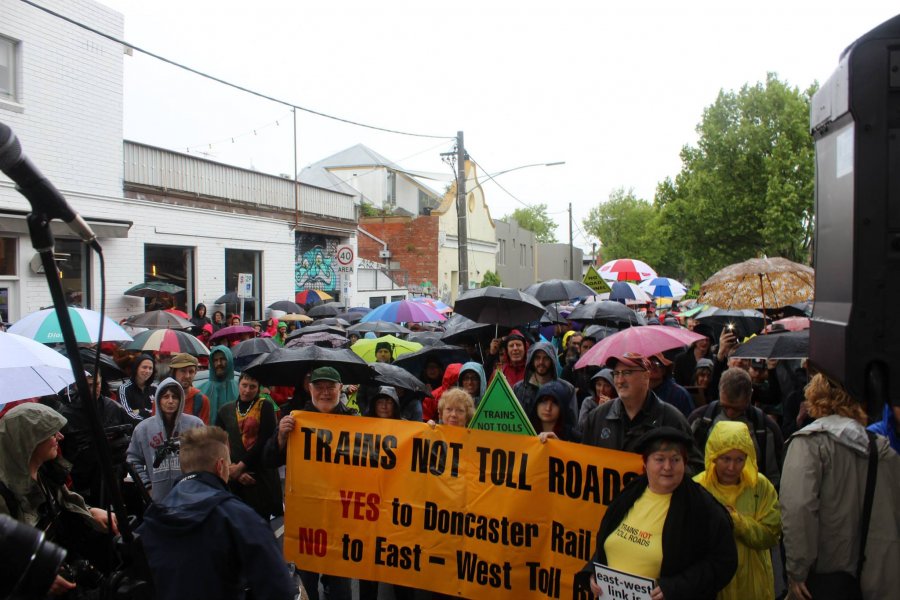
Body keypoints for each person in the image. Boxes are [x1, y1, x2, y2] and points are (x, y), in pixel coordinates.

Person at [137, 426, 295, 600]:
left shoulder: (152, 520)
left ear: (184, 467)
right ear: (221, 466)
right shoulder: (238, 517)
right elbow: (278, 588)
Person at [780, 373, 900, 600]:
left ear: (814, 397)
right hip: (878, 581)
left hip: (824, 579)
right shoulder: (883, 450)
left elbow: (798, 509)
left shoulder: (808, 444)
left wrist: (797, 570)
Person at [583, 427, 737, 600]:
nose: (667, 467)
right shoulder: (629, 493)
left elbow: (724, 562)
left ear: (684, 464)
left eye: (675, 459)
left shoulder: (702, 506)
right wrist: (595, 572)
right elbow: (606, 540)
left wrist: (675, 587)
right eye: (659, 459)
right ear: (645, 463)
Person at [0, 403, 119, 597]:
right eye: (51, 433)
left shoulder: (46, 473)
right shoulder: (3, 495)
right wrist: (34, 575)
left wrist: (89, 512)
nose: (60, 437)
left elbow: (65, 503)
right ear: (28, 441)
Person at [265, 366, 357, 600]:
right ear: (310, 389)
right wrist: (281, 438)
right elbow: (268, 459)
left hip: (341, 518)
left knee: (341, 589)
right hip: (307, 517)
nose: (325, 393)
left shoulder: (355, 421)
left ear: (340, 389)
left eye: (330, 387)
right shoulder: (295, 419)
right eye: (320, 387)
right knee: (306, 585)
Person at [694, 421, 781, 600]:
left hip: (753, 586)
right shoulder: (697, 488)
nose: (732, 467)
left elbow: (771, 534)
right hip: (713, 585)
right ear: (713, 456)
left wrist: (735, 520)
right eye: (726, 459)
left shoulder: (761, 486)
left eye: (739, 459)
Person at [581, 353, 703, 475]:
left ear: (646, 376)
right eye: (616, 373)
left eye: (627, 373)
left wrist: (664, 472)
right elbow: (583, 461)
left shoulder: (671, 419)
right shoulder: (598, 417)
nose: (620, 380)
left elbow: (696, 468)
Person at [688, 368, 784, 488]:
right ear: (719, 392)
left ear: (750, 396)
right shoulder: (700, 421)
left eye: (737, 408)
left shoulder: (766, 428)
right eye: (725, 406)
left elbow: (774, 478)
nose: (730, 413)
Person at [215, 371, 282, 520]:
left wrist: (241, 467)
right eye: (244, 385)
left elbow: (265, 440)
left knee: (259, 525)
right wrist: (233, 470)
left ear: (258, 388)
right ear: (238, 385)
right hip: (233, 478)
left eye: (252, 387)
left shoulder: (265, 406)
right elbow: (218, 443)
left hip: (259, 476)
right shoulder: (225, 410)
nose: (247, 390)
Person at [127, 377, 204, 502]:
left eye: (175, 397)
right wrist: (146, 487)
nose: (170, 401)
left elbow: (206, 458)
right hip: (157, 499)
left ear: (181, 400)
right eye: (166, 397)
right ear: (158, 399)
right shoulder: (143, 429)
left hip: (189, 498)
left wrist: (197, 485)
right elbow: (132, 460)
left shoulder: (195, 425)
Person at [513, 341, 579, 423]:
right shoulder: (519, 388)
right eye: (537, 358)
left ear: (552, 360)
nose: (541, 362)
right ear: (532, 361)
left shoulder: (567, 389)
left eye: (546, 358)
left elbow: (572, 424)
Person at [168, 352, 211, 424]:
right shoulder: (162, 397)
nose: (187, 376)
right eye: (183, 371)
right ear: (174, 372)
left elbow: (203, 432)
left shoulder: (202, 400)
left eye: (191, 371)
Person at [198, 345, 239, 418]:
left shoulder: (241, 389)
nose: (219, 363)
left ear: (229, 360)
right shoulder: (201, 392)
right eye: (215, 360)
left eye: (222, 359)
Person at [648, 353, 694, 417]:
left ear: (664, 370)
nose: (653, 366)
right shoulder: (637, 393)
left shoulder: (679, 394)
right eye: (649, 364)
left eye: (657, 363)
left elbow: (688, 423)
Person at [117, 353, 157, 421]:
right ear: (136, 368)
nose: (147, 371)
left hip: (155, 429)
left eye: (150, 368)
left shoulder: (156, 388)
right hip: (133, 430)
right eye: (144, 367)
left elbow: (160, 412)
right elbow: (127, 414)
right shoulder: (124, 389)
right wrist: (147, 421)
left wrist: (140, 411)